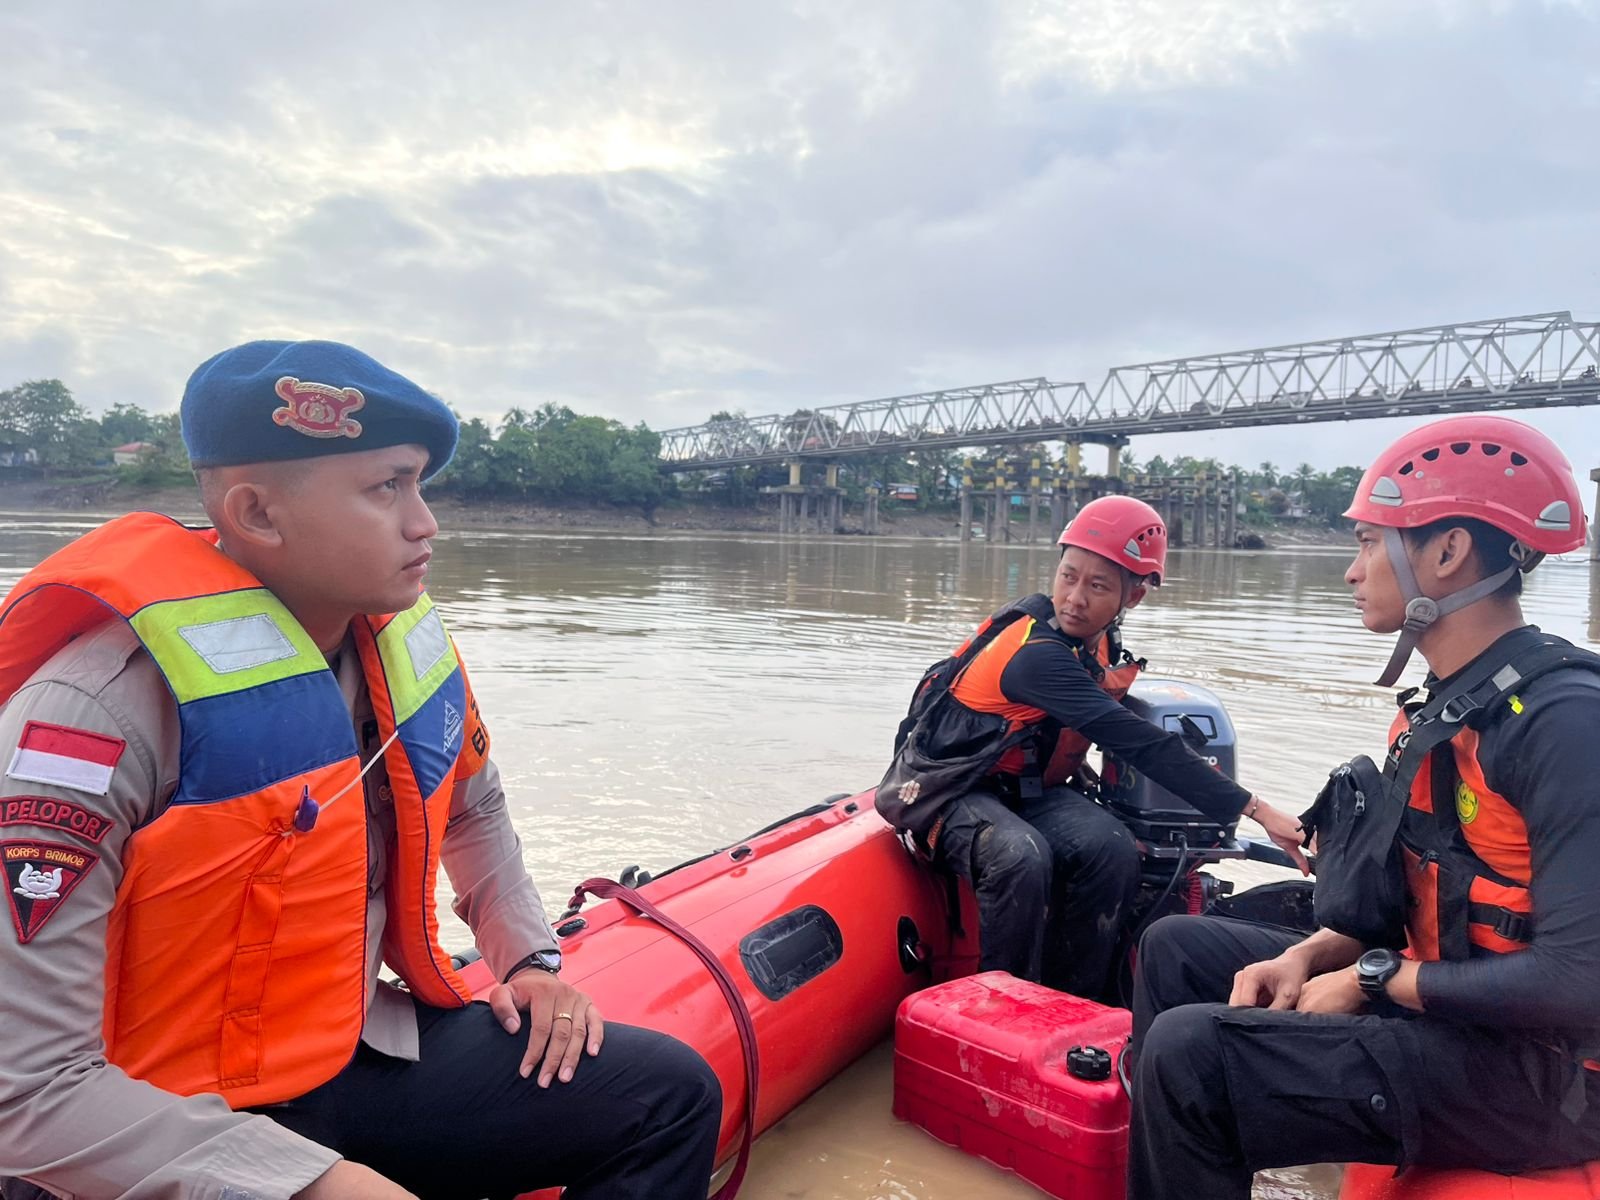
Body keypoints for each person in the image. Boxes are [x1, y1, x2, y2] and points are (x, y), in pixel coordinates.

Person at [0, 341, 721, 1200]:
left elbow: (473, 813)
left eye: (420, 484)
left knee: (666, 1096)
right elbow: (26, 1095)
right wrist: (315, 1185)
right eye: (387, 487)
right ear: (258, 513)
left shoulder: (403, 645)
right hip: (153, 1108)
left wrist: (529, 961)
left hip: (334, 1055)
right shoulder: (92, 717)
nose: (425, 523)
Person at [1126, 414, 1600, 1199]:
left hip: (1548, 1074)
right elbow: (1415, 895)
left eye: (1370, 542)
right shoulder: (1449, 705)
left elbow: (1582, 981)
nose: (1353, 571)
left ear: (1446, 554)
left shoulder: (1563, 724)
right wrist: (1309, 958)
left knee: (1190, 1054)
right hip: (1458, 999)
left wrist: (1378, 980)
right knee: (1178, 946)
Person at [876, 495, 1306, 999]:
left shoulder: (1097, 640)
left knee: (1113, 847)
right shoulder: (1036, 656)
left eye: (1097, 586)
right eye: (1068, 576)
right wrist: (1257, 810)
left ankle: (1079, 999)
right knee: (1020, 856)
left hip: (1024, 789)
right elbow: (1138, 742)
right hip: (946, 792)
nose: (1075, 598)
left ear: (1134, 596)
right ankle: (1000, 1007)